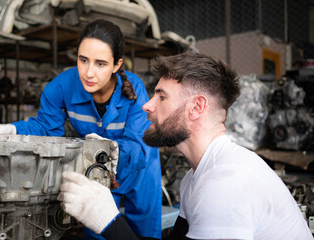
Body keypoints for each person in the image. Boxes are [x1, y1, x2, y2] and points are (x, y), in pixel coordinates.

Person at [57, 52, 314, 240]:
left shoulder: (226, 183)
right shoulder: (196, 176)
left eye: (162, 96)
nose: (147, 105)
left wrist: (108, 221)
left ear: (197, 107)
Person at [0, 19, 162, 240]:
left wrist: (112, 148)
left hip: (139, 171)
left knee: (143, 232)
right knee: (98, 230)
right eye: (83, 60)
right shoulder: (61, 86)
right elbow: (46, 128)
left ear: (117, 65)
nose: (88, 72)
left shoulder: (135, 90)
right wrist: (13, 129)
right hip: (94, 167)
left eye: (100, 64)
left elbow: (138, 145)